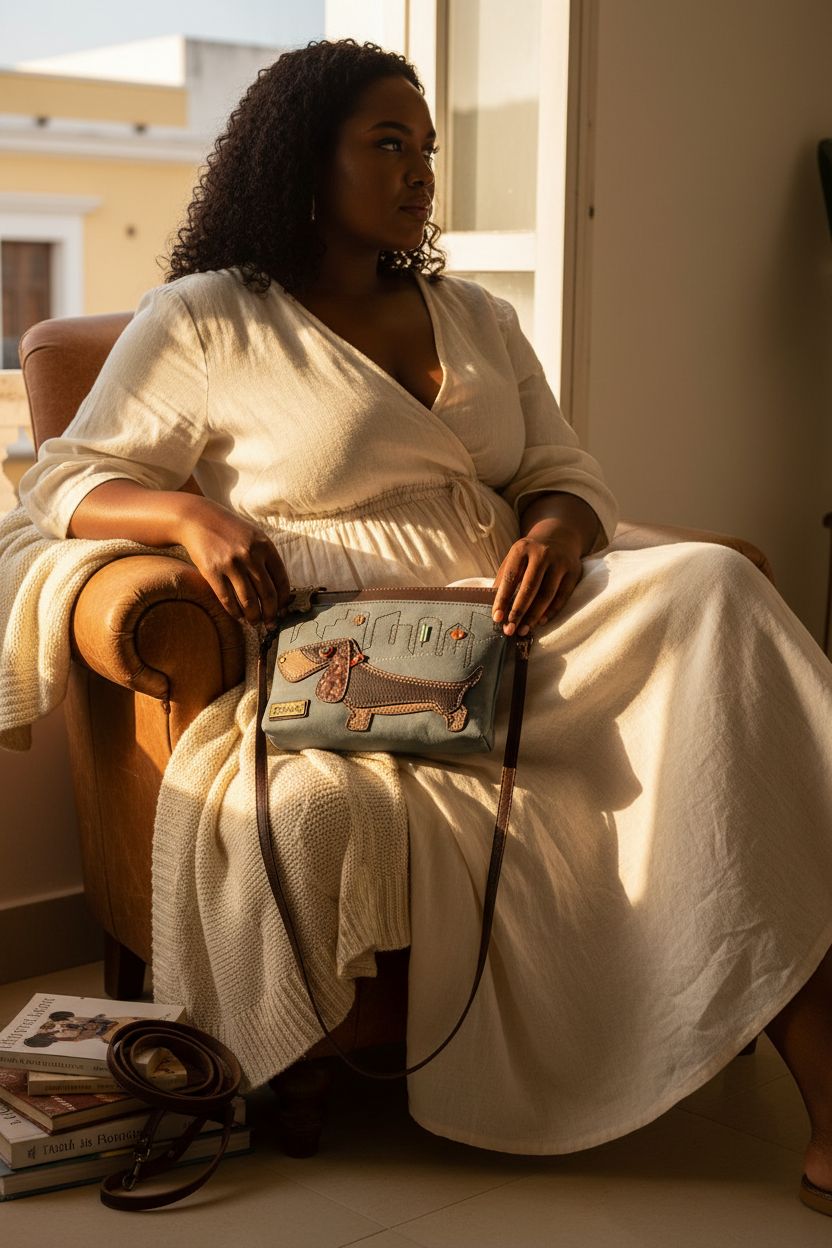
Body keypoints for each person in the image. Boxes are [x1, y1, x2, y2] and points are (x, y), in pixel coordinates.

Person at [15, 39, 832, 1214]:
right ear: (307, 159)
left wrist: (555, 534)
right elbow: (64, 477)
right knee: (725, 657)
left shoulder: (477, 316)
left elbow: (564, 474)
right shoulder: (205, 319)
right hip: (374, 656)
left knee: (712, 586)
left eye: (428, 148)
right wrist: (189, 515)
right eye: (387, 144)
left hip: (532, 619)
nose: (419, 172)